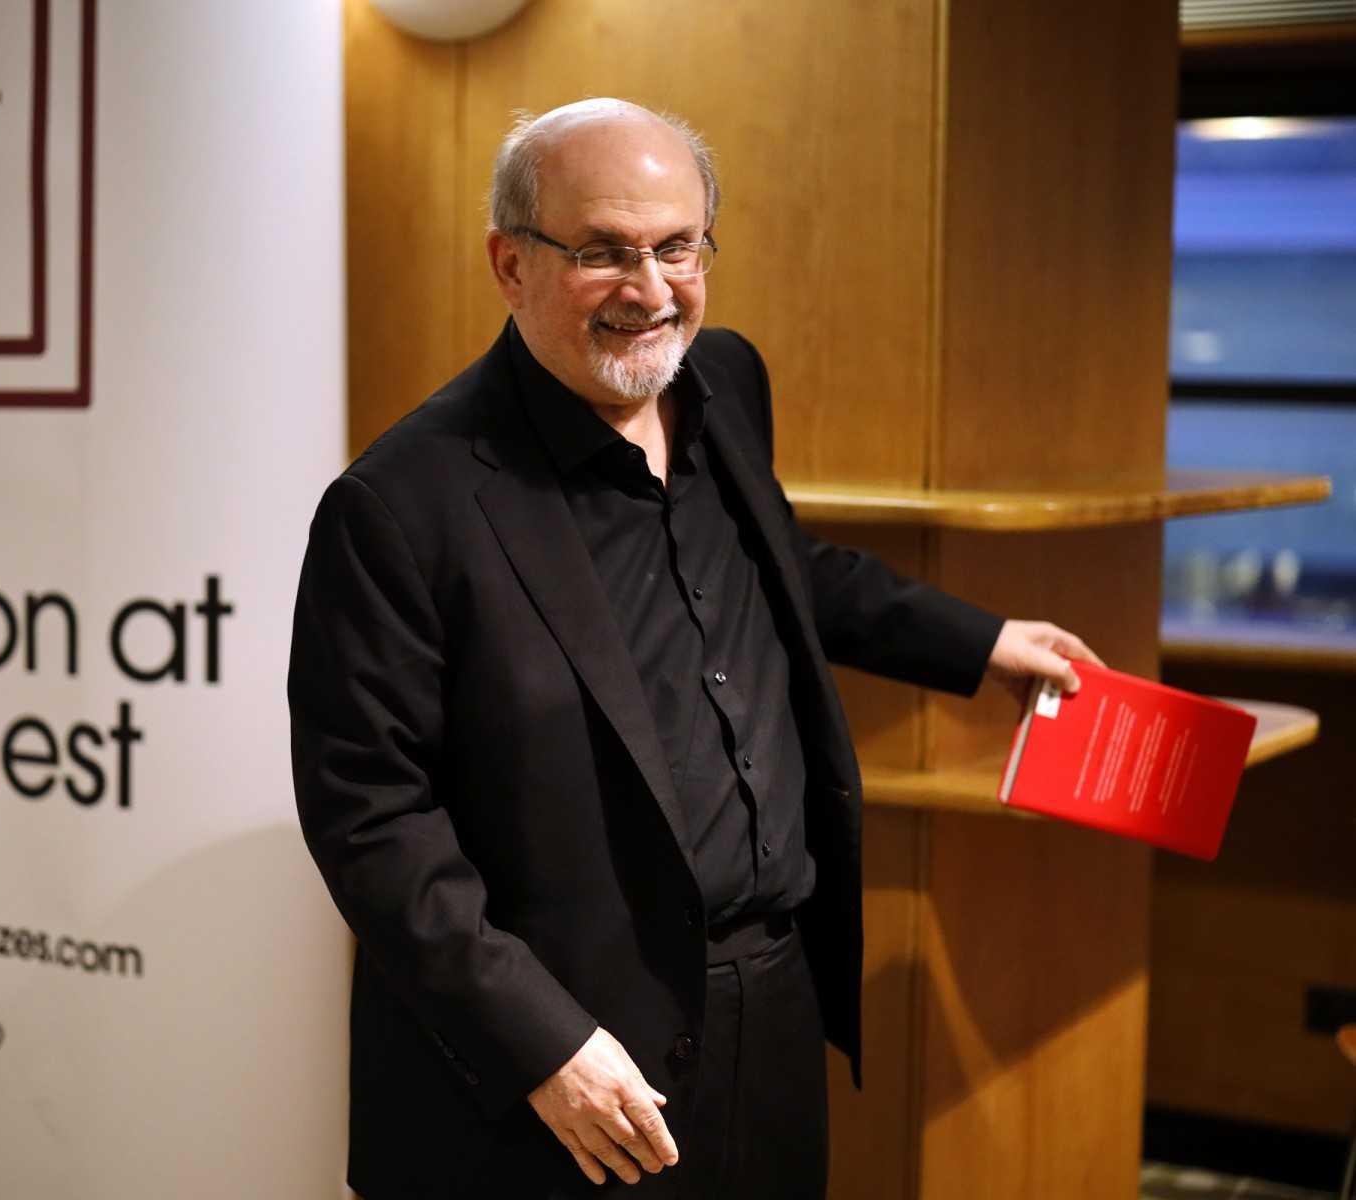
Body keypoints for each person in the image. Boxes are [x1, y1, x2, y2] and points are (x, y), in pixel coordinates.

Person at [289, 98, 1099, 1199]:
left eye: (678, 246)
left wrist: (982, 642)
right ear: (509, 263)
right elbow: (371, 820)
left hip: (768, 1009)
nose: (652, 290)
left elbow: (776, 564)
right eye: (604, 253)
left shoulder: (723, 380)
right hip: (562, 1068)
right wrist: (544, 1046)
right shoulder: (399, 504)